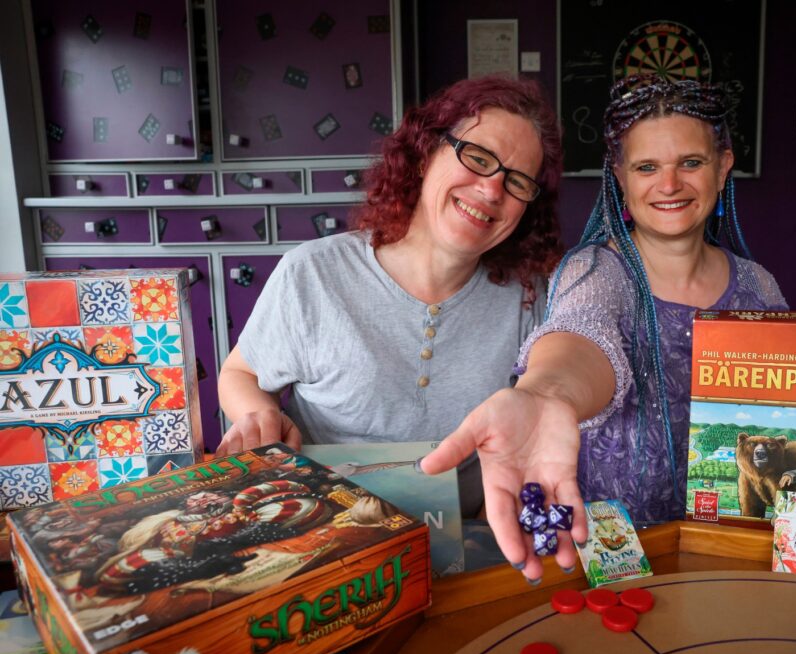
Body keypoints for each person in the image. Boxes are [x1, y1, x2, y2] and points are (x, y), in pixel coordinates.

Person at [422, 75, 787, 581]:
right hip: (611, 560)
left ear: (722, 167)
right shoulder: (593, 272)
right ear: (619, 175)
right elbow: (579, 336)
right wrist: (548, 394)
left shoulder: (760, 287)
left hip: (727, 555)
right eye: (646, 167)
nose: (668, 184)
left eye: (691, 163)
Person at [216, 76, 564, 518]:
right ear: (424, 156)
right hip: (326, 528)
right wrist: (257, 416)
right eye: (477, 158)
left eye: (516, 182)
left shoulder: (528, 297)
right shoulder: (315, 273)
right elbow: (241, 373)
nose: (492, 189)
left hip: (467, 536)